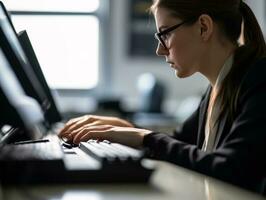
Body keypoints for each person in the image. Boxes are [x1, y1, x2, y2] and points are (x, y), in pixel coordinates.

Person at [59, 0, 266, 194]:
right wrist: (127, 129)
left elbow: (231, 168)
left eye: (165, 34)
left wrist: (144, 138)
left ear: (203, 27)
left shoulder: (260, 80)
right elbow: (178, 142)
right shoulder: (220, 86)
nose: (160, 49)